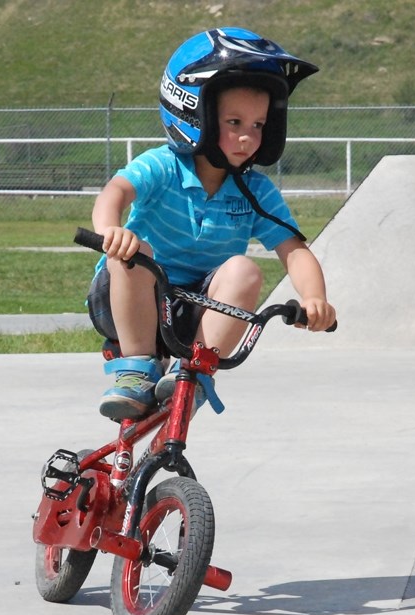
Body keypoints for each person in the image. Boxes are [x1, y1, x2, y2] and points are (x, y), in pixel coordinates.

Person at [87, 27, 336, 422]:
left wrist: (314, 298)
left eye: (257, 125)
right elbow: (116, 191)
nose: (247, 138)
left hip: (194, 310)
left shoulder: (254, 189)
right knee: (137, 251)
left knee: (245, 270)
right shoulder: (163, 165)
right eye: (234, 122)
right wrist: (110, 230)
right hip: (126, 300)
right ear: (193, 114)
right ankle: (135, 367)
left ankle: (196, 372)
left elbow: (294, 250)